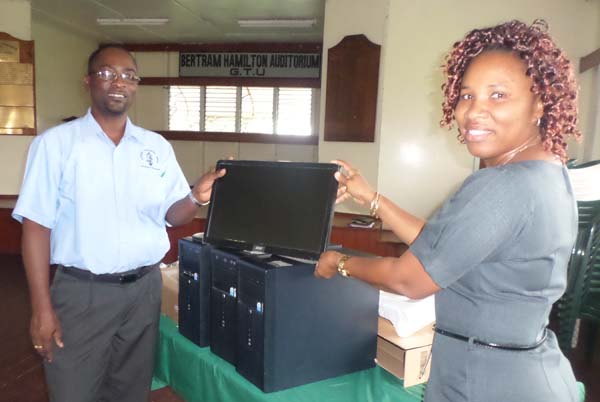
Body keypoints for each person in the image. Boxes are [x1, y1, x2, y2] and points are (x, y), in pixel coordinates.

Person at [315, 20, 581, 402]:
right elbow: (446, 247)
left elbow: (410, 279)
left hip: (488, 381)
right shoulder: (547, 173)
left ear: (539, 102)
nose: (475, 112)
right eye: (468, 95)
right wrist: (371, 198)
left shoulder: (502, 186)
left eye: (498, 96)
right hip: (526, 366)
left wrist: (338, 263)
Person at [12, 44, 224, 402]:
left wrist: (196, 197)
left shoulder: (155, 147)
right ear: (89, 82)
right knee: (72, 392)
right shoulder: (56, 145)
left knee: (130, 391)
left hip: (144, 290)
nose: (118, 83)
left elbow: (172, 215)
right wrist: (41, 308)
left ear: (136, 85)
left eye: (128, 75)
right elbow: (36, 227)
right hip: (82, 294)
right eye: (108, 73)